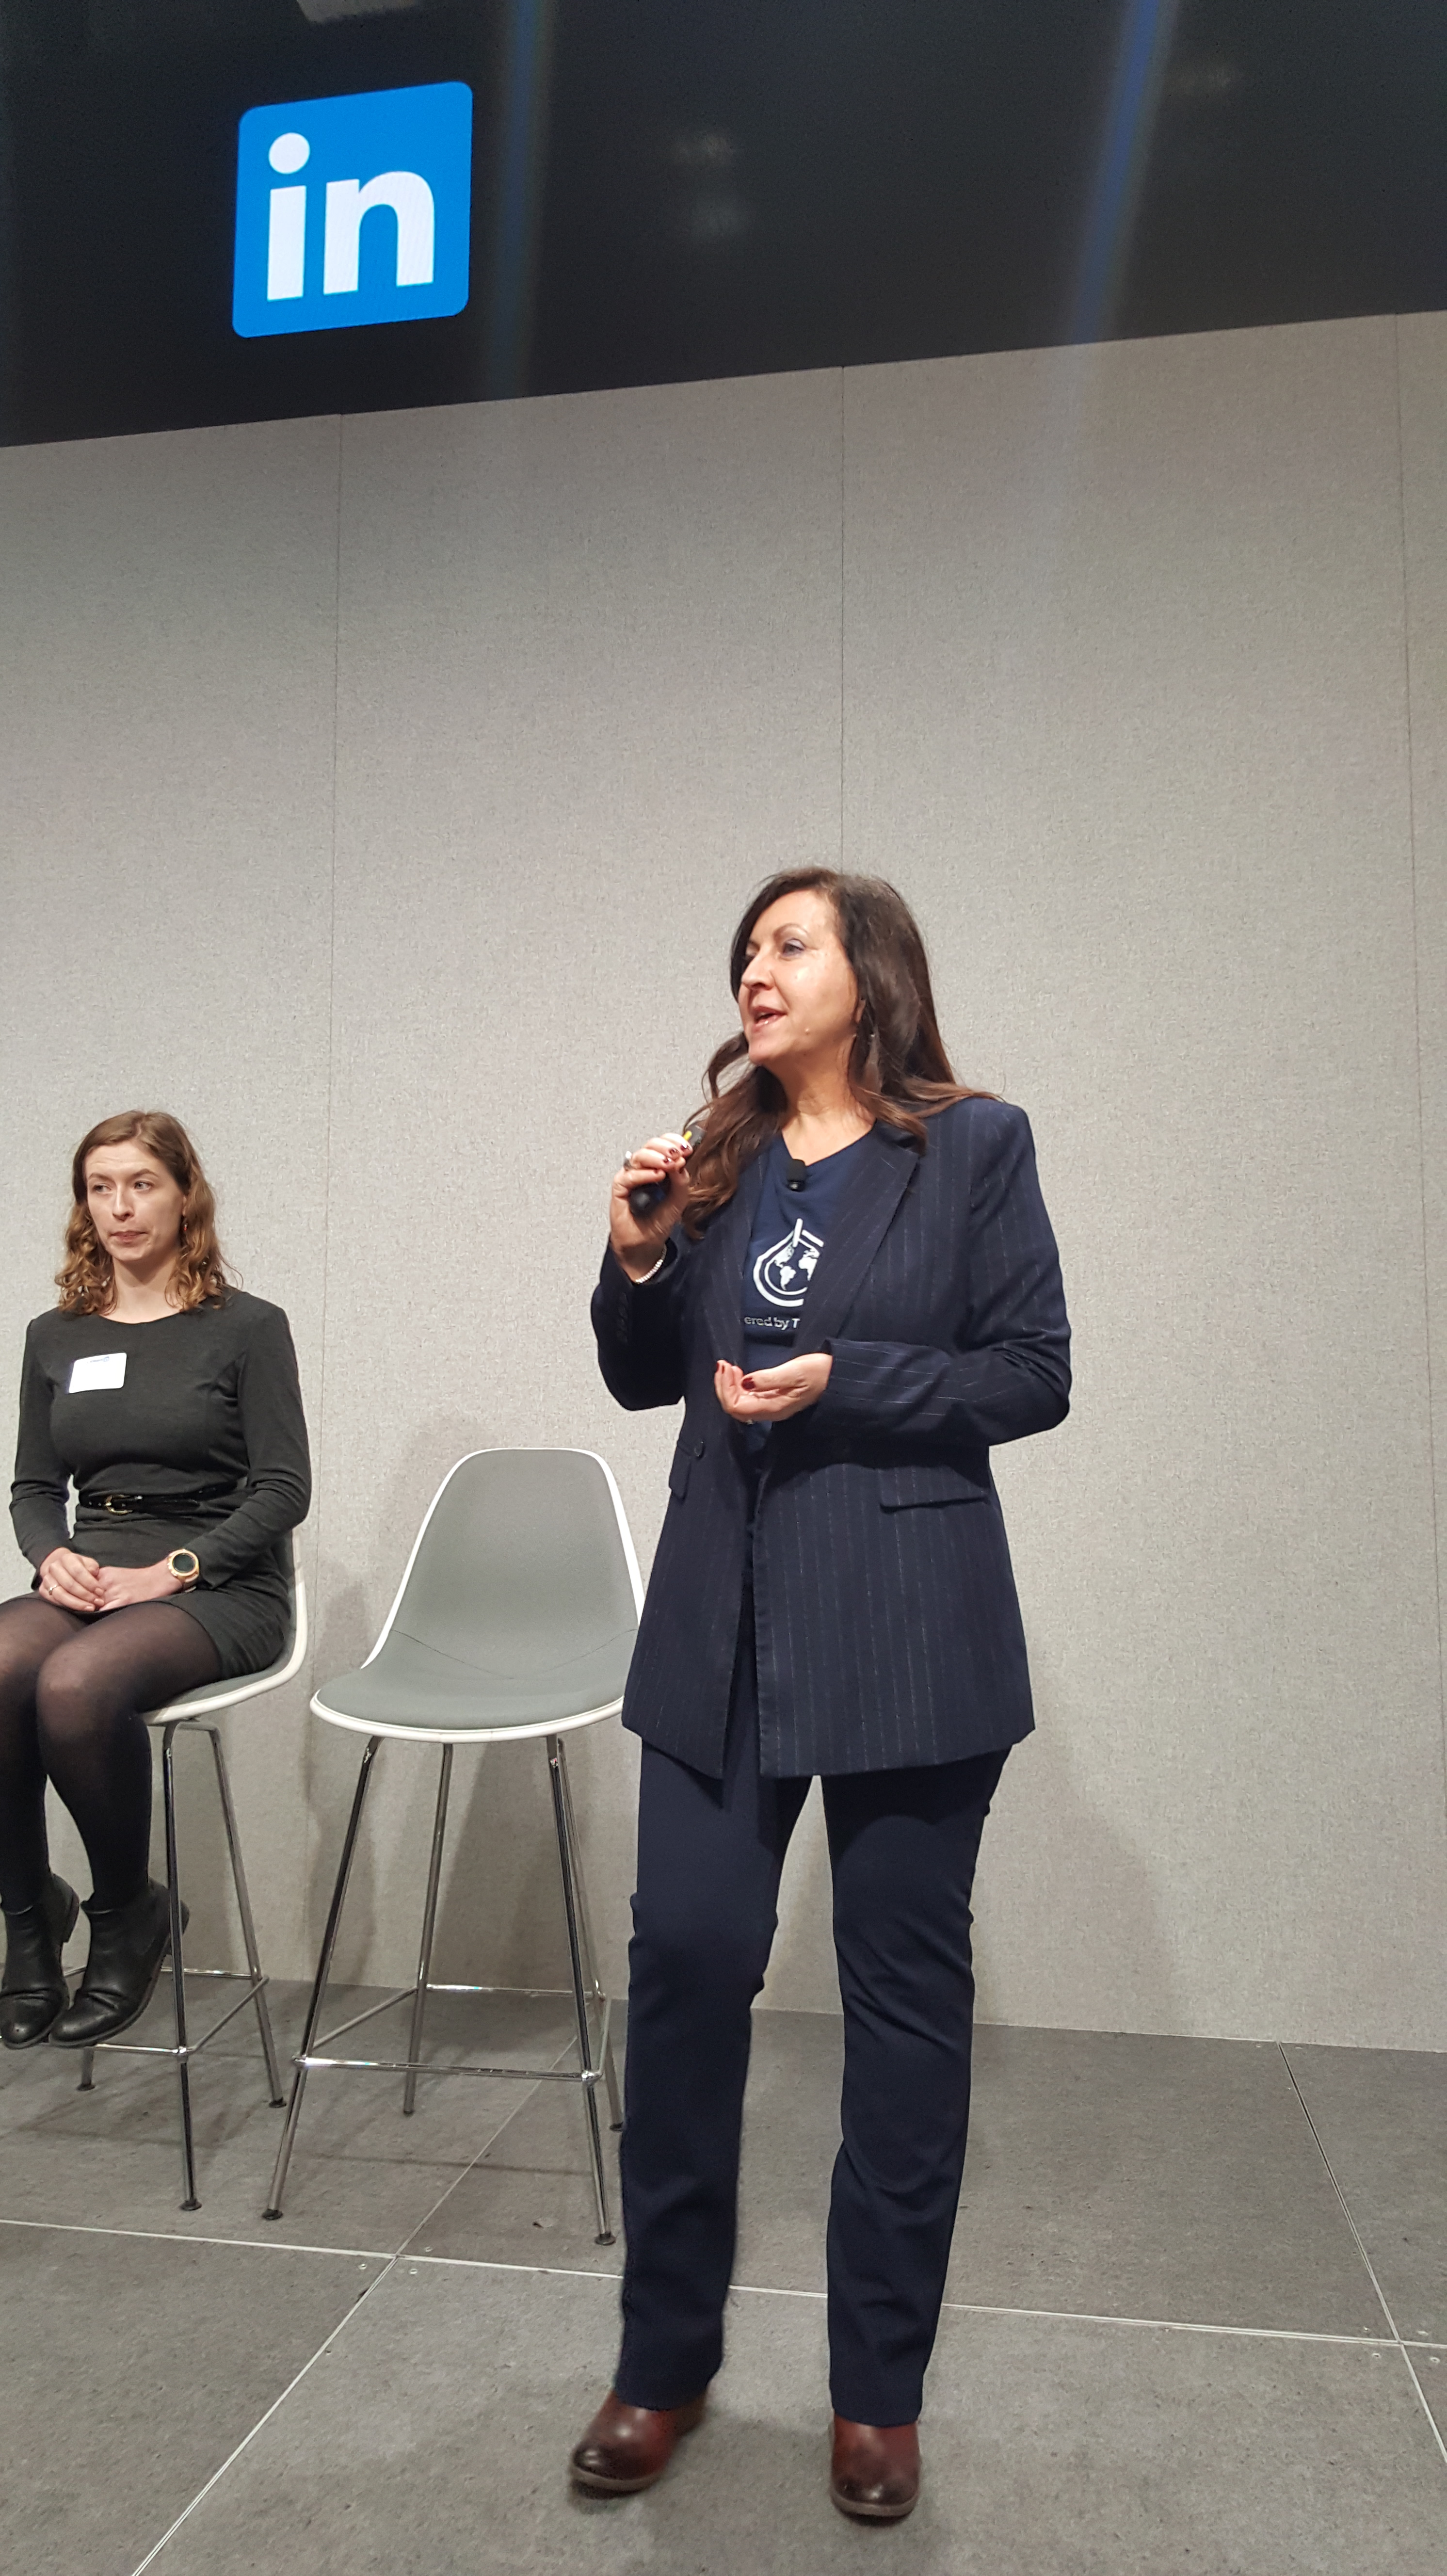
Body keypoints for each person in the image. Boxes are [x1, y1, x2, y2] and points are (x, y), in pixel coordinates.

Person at [572, 869, 1070, 2521]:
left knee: (904, 2009)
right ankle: (662, 2360)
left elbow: (1032, 1372)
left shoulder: (974, 1146)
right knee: (685, 1965)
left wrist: (849, 1382)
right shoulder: (715, 1157)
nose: (755, 970)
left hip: (910, 1625)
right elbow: (641, 1375)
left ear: (873, 971)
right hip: (718, 1619)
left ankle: (878, 2393)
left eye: (789, 943)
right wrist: (638, 1256)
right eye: (745, 951)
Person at [0, 1111, 310, 2054]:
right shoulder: (55, 1335)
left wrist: (176, 1570)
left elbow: (284, 1489)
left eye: (141, 1184)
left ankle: (126, 1915)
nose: (121, 1207)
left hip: (220, 1579)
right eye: (101, 1188)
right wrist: (50, 1553)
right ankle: (29, 1920)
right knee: (1, 1667)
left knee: (74, 1685)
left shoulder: (247, 1328)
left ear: (185, 1197)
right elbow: (34, 1486)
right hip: (97, 1565)